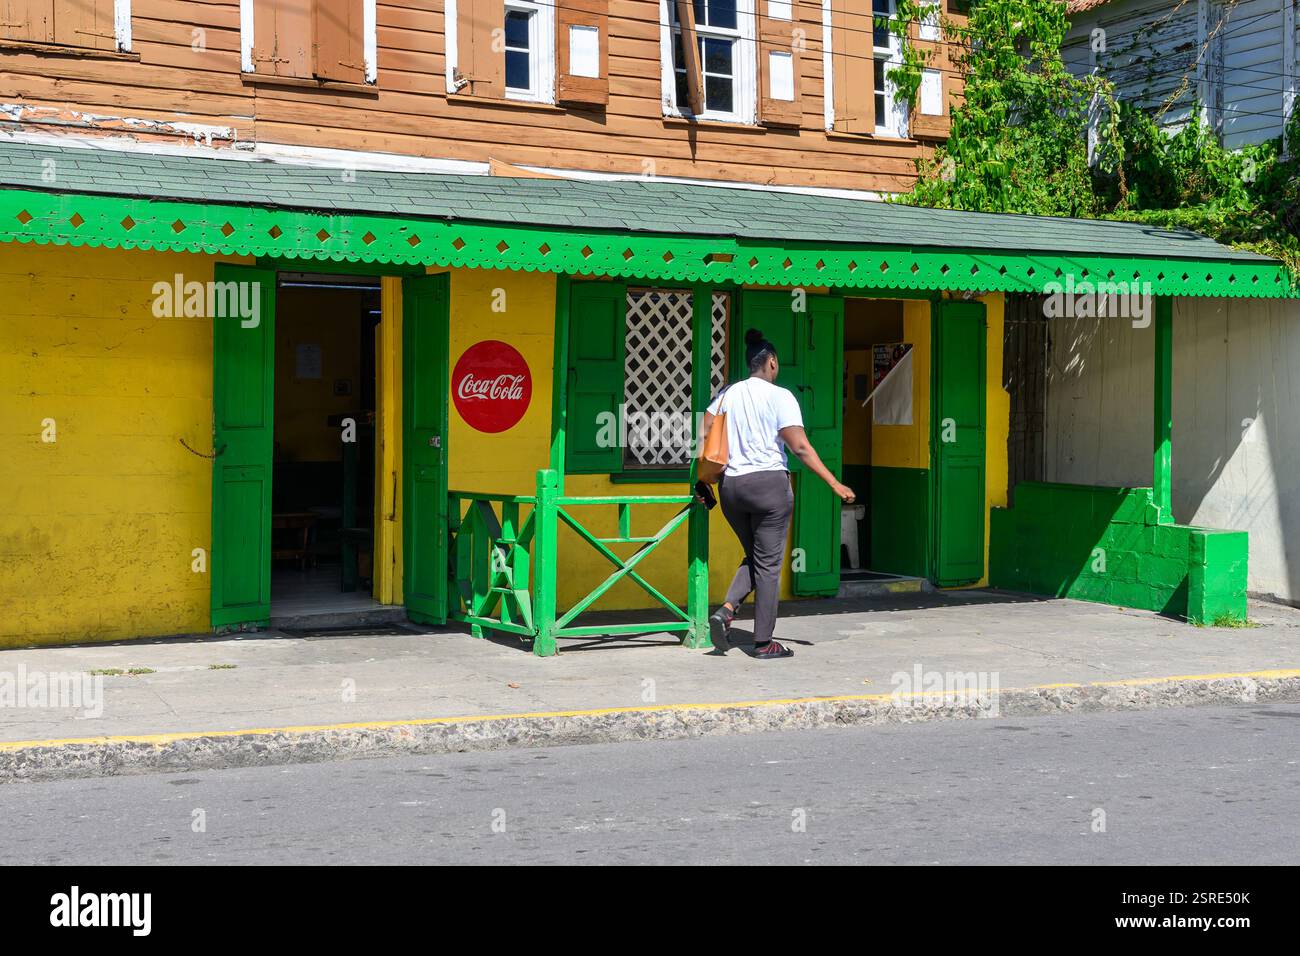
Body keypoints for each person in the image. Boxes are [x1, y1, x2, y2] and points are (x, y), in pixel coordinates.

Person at [701, 328, 855, 659]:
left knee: (757, 557)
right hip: (768, 487)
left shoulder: (728, 393)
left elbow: (707, 428)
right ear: (771, 362)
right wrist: (834, 482)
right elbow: (799, 447)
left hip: (731, 488)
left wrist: (705, 477)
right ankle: (762, 643)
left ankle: (727, 610)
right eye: (777, 362)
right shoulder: (780, 396)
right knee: (768, 565)